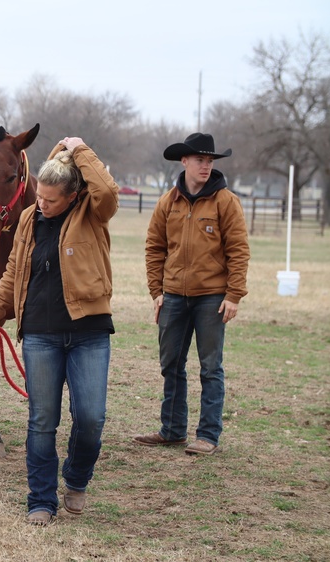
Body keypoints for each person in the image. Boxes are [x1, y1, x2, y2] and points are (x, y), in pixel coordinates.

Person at [0, 137, 119, 525]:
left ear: (73, 196)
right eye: (40, 196)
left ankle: (75, 479)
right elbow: (13, 273)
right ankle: (40, 498)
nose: (43, 204)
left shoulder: (93, 211)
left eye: (52, 200)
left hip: (89, 332)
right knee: (42, 420)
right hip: (40, 332)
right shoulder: (28, 219)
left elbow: (106, 189)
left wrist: (80, 149)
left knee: (91, 419)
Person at [134, 133, 250, 456]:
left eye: (210, 161)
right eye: (200, 160)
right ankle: (172, 431)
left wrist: (234, 294)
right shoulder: (167, 202)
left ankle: (208, 435)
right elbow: (154, 247)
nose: (206, 165)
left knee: (211, 367)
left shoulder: (226, 201)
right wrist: (156, 291)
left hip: (212, 297)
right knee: (171, 364)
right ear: (184, 161)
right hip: (172, 296)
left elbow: (239, 250)